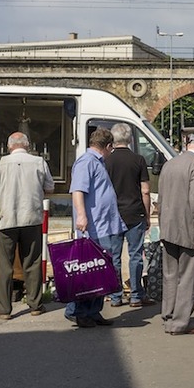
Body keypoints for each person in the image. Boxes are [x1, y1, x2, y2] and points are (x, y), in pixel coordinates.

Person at [0, 132, 54, 319]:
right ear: (28, 145)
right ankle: (35, 305)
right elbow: (49, 188)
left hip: (5, 218)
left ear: (9, 146)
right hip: (32, 218)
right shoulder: (39, 162)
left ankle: (4, 309)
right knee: (32, 262)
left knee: (5, 266)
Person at [64, 127, 125, 327]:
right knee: (89, 271)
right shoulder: (87, 162)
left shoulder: (95, 162)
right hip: (94, 226)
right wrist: (81, 215)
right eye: (111, 149)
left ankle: (93, 311)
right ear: (108, 147)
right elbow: (78, 190)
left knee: (101, 271)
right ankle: (79, 311)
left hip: (103, 224)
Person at [157, 134, 194, 335]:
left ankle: (169, 316)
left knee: (170, 275)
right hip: (189, 231)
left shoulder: (169, 164)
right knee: (188, 278)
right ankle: (180, 323)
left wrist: (162, 227)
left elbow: (161, 199)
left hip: (169, 228)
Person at [105, 123, 154, 308]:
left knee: (114, 256)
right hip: (135, 212)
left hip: (113, 215)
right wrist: (147, 215)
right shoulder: (138, 160)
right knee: (135, 255)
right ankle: (135, 295)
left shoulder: (106, 161)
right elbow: (146, 191)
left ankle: (116, 295)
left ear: (113, 139)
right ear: (130, 139)